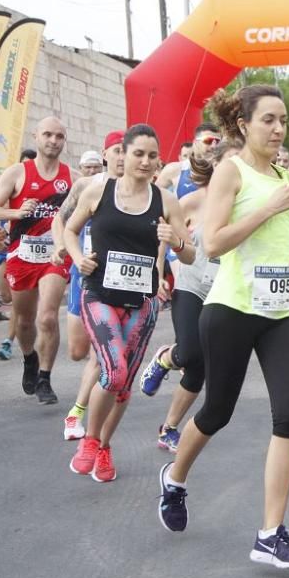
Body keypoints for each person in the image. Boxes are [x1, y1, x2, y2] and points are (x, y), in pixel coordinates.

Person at [155, 85, 289, 570]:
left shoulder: (285, 175)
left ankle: (271, 532)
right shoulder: (231, 169)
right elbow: (215, 243)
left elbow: (286, 242)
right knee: (218, 410)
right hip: (232, 308)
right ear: (244, 125)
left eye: (284, 120)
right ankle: (176, 477)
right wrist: (269, 206)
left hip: (283, 309)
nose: (278, 129)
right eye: (269, 119)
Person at [65, 124, 192, 482]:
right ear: (122, 153)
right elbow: (71, 229)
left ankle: (104, 447)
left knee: (121, 387)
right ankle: (89, 440)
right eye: (138, 153)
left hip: (142, 303)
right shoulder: (99, 190)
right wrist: (77, 258)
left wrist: (176, 243)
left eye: (153, 155)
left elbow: (193, 253)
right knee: (114, 371)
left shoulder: (165, 200)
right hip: (99, 295)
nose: (145, 161)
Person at [138, 138, 244, 453]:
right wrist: (158, 273)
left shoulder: (249, 205)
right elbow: (163, 236)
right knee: (191, 353)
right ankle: (167, 357)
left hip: (225, 291)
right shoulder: (193, 202)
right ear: (215, 165)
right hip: (190, 284)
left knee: (200, 367)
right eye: (231, 161)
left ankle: (168, 428)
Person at [0, 117, 74, 404]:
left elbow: (83, 213)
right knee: (24, 322)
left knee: (47, 316)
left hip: (54, 255)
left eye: (59, 136)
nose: (53, 141)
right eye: (47, 134)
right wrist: (17, 213)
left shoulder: (70, 177)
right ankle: (29, 358)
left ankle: (45, 379)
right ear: (36, 137)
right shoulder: (16, 173)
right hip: (21, 256)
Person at [52, 131, 126, 440]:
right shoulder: (86, 185)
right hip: (84, 275)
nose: (123, 157)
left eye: (128, 151)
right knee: (78, 350)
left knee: (101, 351)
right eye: (117, 151)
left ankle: (77, 413)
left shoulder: (141, 191)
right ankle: (96, 384)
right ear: (105, 153)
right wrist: (64, 250)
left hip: (115, 284)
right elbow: (61, 220)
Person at [156, 123, 221, 197]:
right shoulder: (175, 169)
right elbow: (152, 199)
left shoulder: (224, 170)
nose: (214, 146)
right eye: (208, 141)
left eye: (217, 142)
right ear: (195, 142)